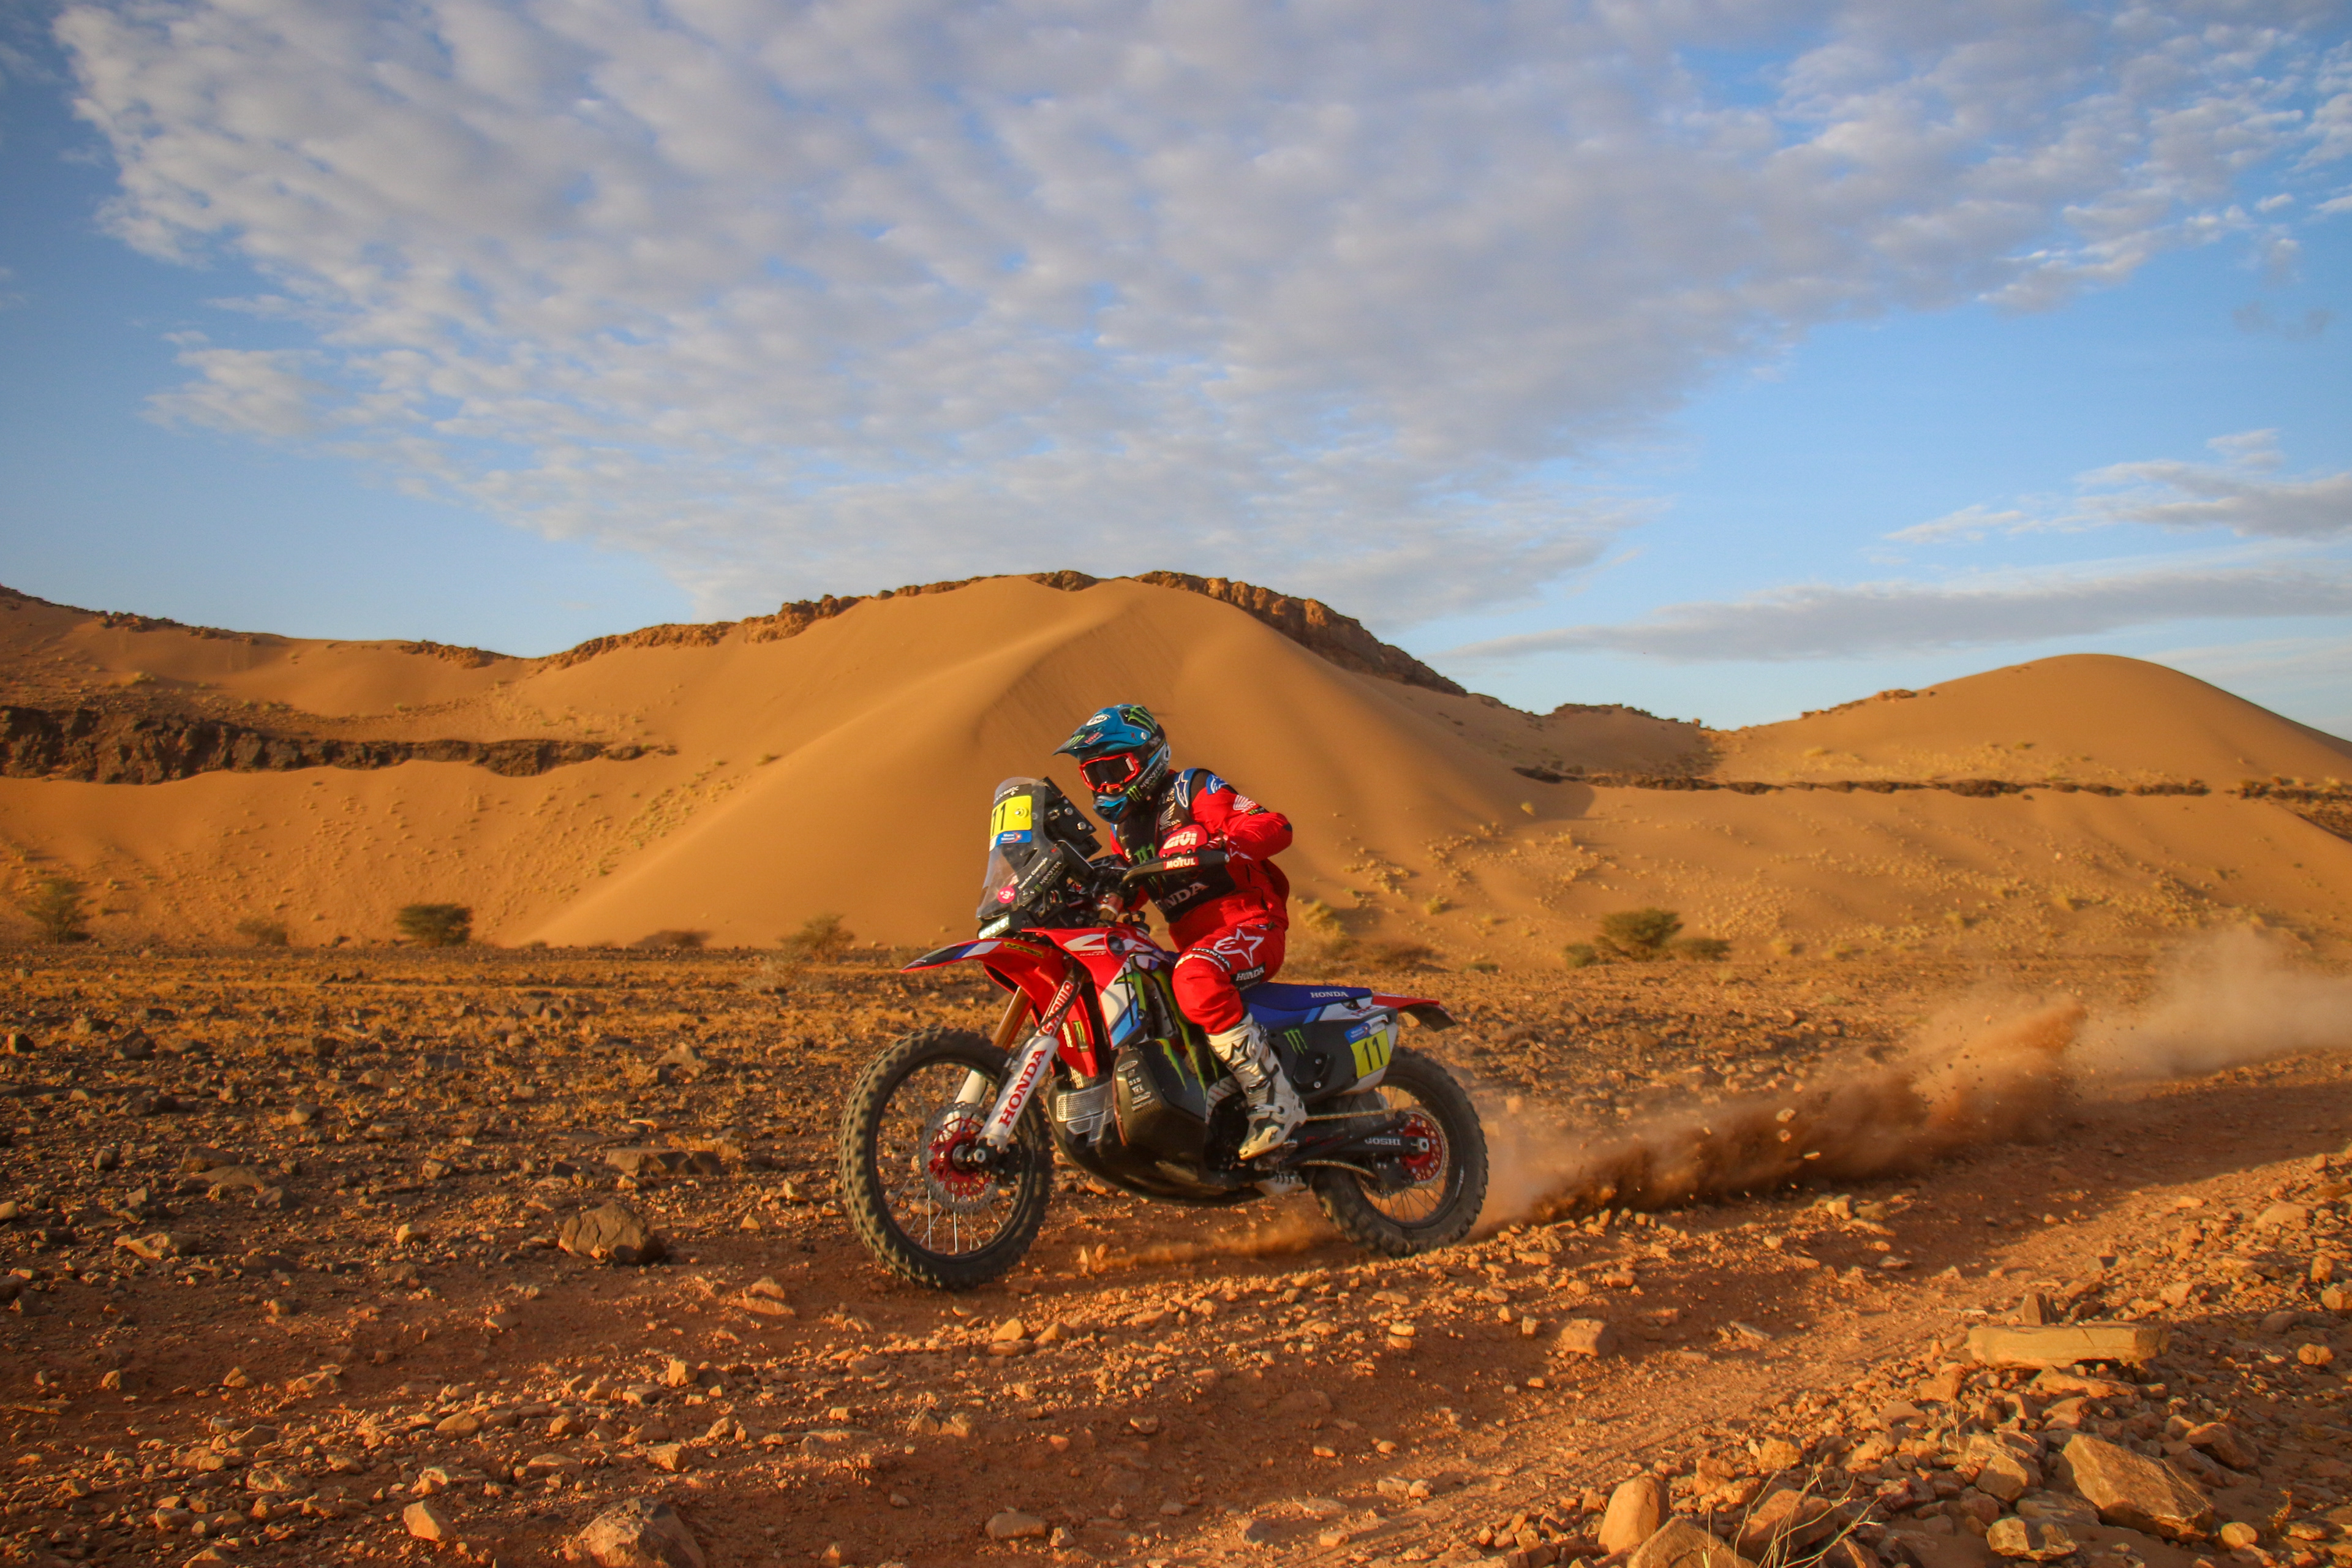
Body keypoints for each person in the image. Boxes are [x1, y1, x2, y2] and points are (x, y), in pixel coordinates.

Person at [1055, 703, 1305, 1159]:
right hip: (1199, 947)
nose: (1107, 785)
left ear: (1149, 757)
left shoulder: (1192, 790)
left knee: (1195, 976)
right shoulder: (1124, 832)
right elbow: (1135, 889)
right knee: (1143, 993)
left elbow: (1274, 825)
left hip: (1250, 924)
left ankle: (1275, 1098)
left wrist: (1223, 844)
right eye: (1095, 775)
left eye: (1116, 768)